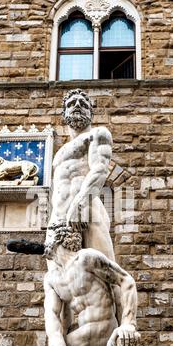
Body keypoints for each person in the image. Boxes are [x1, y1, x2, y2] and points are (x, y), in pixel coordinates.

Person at [21, 225, 141, 346]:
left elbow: (126, 281)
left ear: (57, 239)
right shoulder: (51, 278)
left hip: (103, 329)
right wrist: (57, 344)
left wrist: (128, 324)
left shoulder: (86, 258)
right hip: (83, 334)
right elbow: (51, 314)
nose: (44, 241)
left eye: (47, 236)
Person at [46, 88, 115, 262]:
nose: (77, 105)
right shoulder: (59, 152)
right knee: (57, 279)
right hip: (59, 219)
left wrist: (80, 205)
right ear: (64, 113)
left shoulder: (97, 134)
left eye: (83, 104)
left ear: (90, 113)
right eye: (71, 103)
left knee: (103, 269)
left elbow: (100, 170)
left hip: (86, 209)